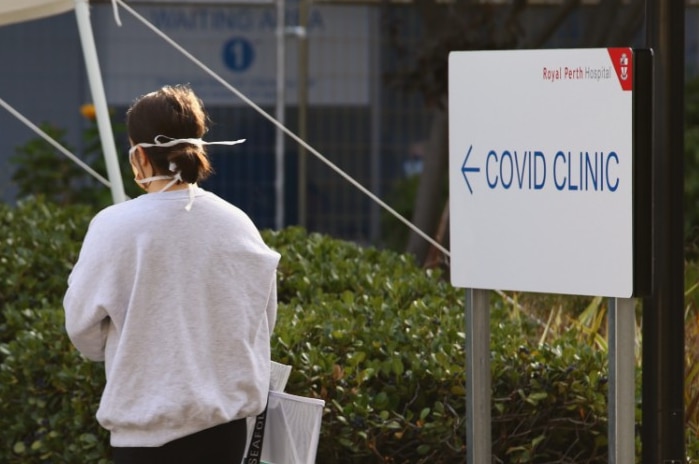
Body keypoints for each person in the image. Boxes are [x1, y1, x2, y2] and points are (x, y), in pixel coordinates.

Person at [63, 84, 280, 464]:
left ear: (140, 155)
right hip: (226, 436)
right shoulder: (238, 223)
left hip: (144, 438)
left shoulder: (114, 226)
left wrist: (126, 345)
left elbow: (82, 329)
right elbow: (263, 321)